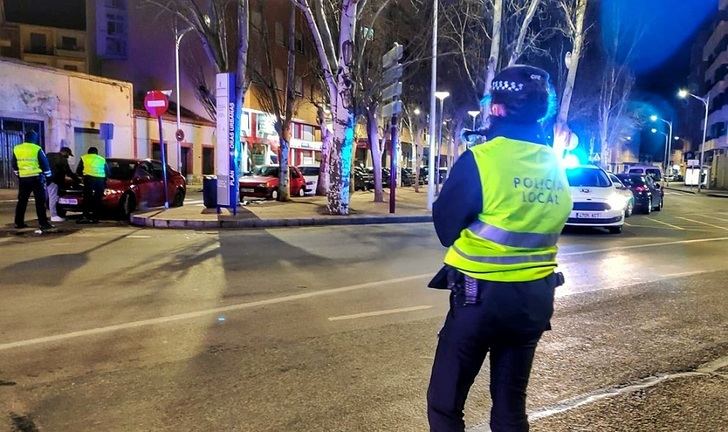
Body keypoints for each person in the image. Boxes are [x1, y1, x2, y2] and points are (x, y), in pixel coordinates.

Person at [426, 65, 573, 432]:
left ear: (496, 108)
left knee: (445, 405)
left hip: (480, 301)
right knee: (510, 409)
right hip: (534, 302)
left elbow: (446, 228)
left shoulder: (482, 160)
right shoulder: (554, 166)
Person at [12, 130, 56, 232]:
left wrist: (19, 175)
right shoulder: (37, 149)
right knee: (40, 202)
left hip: (24, 179)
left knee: (22, 201)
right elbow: (45, 164)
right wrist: (49, 177)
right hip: (36, 178)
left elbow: (14, 164)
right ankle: (43, 223)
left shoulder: (17, 148)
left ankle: (19, 222)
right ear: (34, 139)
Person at [76, 147, 109, 224]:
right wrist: (105, 180)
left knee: (87, 198)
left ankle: (85, 216)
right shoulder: (102, 159)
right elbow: (107, 171)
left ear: (88, 152)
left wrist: (82, 176)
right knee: (98, 199)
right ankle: (96, 217)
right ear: (97, 153)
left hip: (89, 179)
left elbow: (78, 170)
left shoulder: (84, 158)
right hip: (100, 180)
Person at [46, 146, 79, 222]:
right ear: (65, 152)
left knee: (50, 197)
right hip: (54, 181)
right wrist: (77, 180)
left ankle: (53, 215)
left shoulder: (49, 155)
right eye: (68, 154)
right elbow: (68, 172)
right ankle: (54, 216)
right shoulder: (63, 159)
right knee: (53, 198)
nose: (68, 157)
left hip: (46, 179)